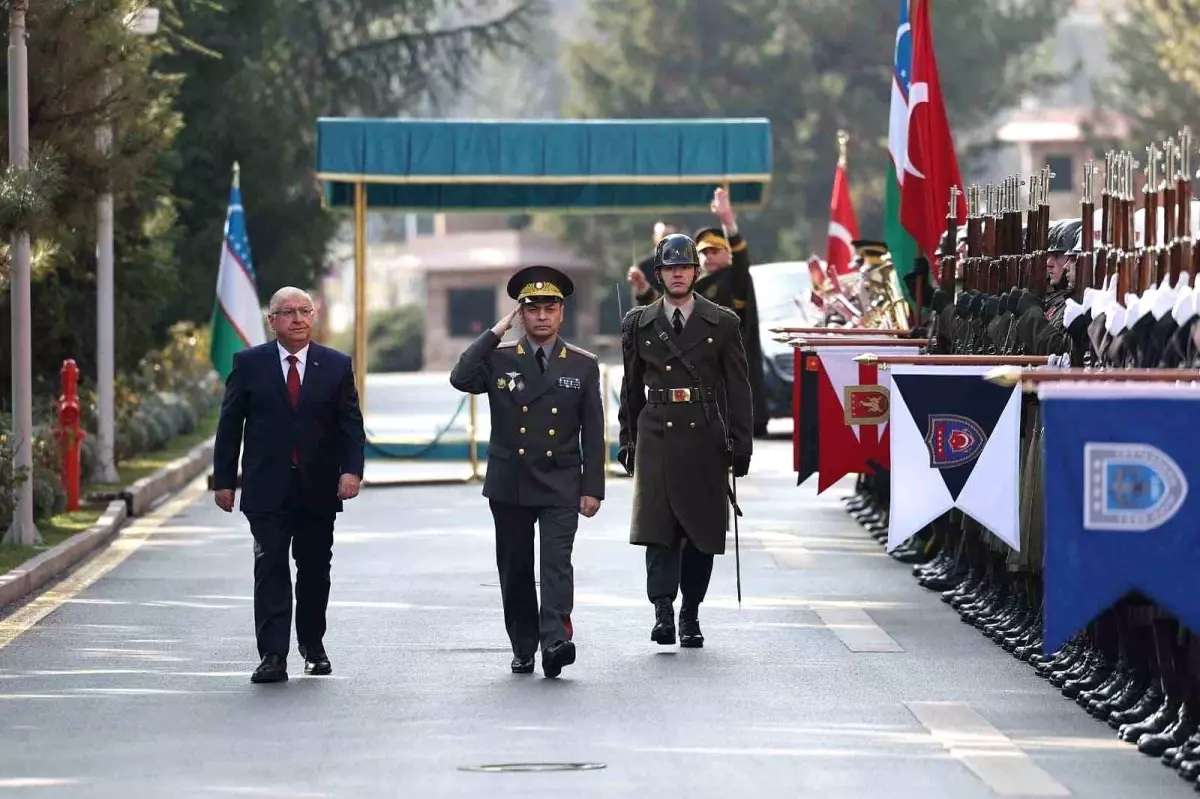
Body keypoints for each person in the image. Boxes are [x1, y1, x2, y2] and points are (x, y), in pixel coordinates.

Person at [449, 265, 605, 678]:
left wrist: (593, 488)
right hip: (511, 480)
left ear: (561, 313)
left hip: (560, 479)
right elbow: (460, 376)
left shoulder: (583, 365)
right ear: (520, 313)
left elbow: (594, 430)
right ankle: (523, 644)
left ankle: (555, 640)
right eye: (531, 308)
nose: (541, 315)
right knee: (516, 568)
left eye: (549, 308)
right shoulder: (499, 359)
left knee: (556, 564)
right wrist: (495, 331)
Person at [212, 287, 366, 684]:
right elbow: (230, 426)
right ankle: (273, 656)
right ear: (272, 321)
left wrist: (351, 472)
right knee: (271, 568)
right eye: (288, 312)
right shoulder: (249, 364)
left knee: (315, 571)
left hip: (318, 488)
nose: (298, 319)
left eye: (304, 311)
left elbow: (350, 425)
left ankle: (313, 647)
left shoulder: (334, 365)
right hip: (267, 488)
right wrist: (225, 481)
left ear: (313, 317)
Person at [617, 233, 754, 648]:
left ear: (696, 272)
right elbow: (631, 388)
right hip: (656, 432)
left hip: (705, 435)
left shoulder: (723, 322)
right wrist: (627, 439)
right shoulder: (638, 324)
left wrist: (741, 444)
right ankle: (662, 611)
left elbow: (738, 388)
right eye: (669, 268)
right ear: (658, 275)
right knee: (658, 529)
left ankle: (690, 613)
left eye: (684, 267)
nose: (677, 274)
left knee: (700, 531)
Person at [627, 190, 769, 436]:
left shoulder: (735, 280)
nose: (709, 257)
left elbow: (742, 260)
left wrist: (728, 221)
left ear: (728, 254)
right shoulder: (695, 286)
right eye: (703, 252)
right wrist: (644, 290)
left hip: (722, 383)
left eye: (716, 251)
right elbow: (666, 317)